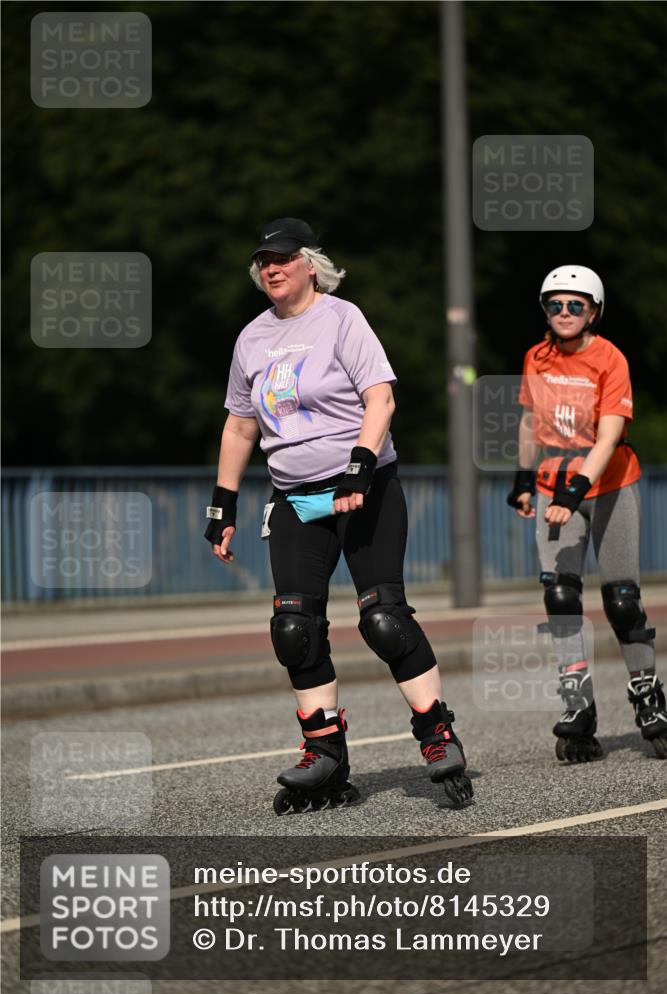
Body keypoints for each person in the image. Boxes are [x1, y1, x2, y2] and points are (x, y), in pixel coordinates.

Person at [205, 217, 474, 813]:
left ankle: (437, 735)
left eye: (282, 258)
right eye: (263, 261)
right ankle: (324, 752)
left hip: (365, 487)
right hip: (296, 498)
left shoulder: (342, 318)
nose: (271, 268)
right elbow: (241, 424)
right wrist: (223, 504)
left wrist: (359, 462)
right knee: (293, 629)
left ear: (308, 263)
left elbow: (381, 395)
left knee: (384, 619)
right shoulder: (250, 339)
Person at [507, 265, 666, 762]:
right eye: (555, 304)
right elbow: (531, 422)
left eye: (575, 305)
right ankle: (579, 708)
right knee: (560, 595)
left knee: (621, 599)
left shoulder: (609, 358)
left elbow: (609, 436)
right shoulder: (537, 356)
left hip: (611, 485)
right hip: (555, 489)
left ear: (594, 310)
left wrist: (573, 493)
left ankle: (647, 697)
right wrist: (523, 479)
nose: (565, 313)